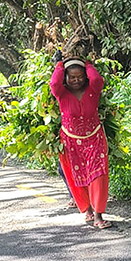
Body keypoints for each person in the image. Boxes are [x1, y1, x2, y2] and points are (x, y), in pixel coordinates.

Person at [49, 55, 112, 229]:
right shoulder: (62, 93)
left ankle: (99, 215)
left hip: (95, 138)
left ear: (86, 76)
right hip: (70, 141)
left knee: (98, 174)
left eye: (80, 77)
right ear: (65, 78)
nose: (76, 80)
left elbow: (97, 78)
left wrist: (88, 63)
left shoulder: (94, 89)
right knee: (78, 176)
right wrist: (59, 65)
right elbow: (54, 84)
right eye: (72, 77)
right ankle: (87, 210)